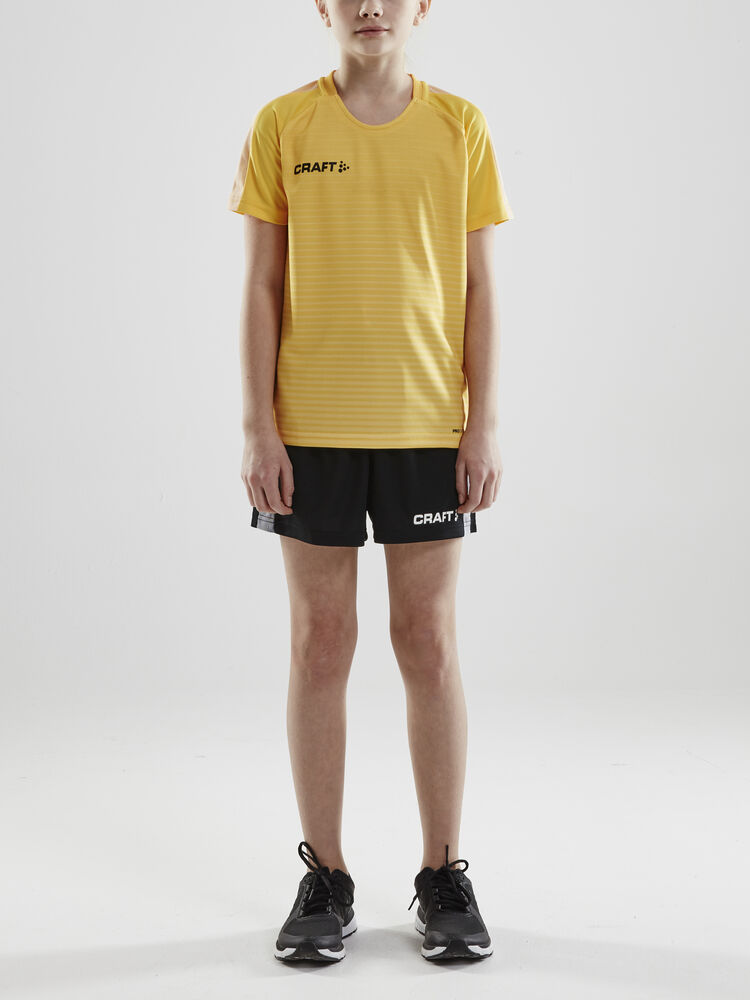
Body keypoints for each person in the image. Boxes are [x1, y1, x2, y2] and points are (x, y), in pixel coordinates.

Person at [228, 0, 513, 964]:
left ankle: (442, 874)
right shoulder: (283, 124)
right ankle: (327, 876)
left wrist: (482, 423)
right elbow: (261, 285)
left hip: (427, 426)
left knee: (427, 642)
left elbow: (480, 286)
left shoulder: (461, 126)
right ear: (322, 5)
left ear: (422, 5)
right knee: (321, 645)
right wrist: (259, 426)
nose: (370, 6)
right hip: (309, 431)